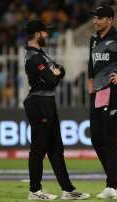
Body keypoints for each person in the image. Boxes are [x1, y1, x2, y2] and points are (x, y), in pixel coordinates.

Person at [23, 19, 90, 200]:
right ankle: (34, 191)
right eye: (45, 32)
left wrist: (56, 74)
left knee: (55, 148)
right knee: (39, 148)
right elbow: (53, 79)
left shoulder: (41, 55)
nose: (47, 35)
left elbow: (60, 72)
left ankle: (67, 189)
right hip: (39, 103)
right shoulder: (34, 57)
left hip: (47, 102)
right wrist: (55, 74)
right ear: (37, 34)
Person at [87, 4, 117, 199]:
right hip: (98, 93)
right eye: (94, 17)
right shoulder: (93, 39)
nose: (95, 20)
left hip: (115, 93)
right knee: (96, 139)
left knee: (112, 140)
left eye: (100, 17)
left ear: (110, 20)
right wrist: (90, 85)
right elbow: (91, 65)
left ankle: (111, 186)